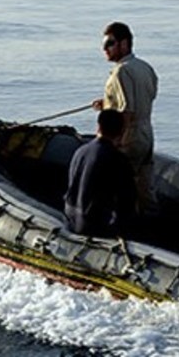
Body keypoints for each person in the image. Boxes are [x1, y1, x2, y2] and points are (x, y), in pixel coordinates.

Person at [92, 21, 158, 214]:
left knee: (118, 183)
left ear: (124, 43)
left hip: (130, 135)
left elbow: (126, 111)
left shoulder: (121, 72)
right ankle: (152, 223)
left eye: (109, 44)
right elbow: (144, 99)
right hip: (147, 133)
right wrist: (106, 103)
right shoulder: (145, 67)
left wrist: (116, 143)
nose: (105, 49)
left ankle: (123, 226)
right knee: (145, 186)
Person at [64, 109, 137, 236]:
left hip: (71, 220)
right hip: (94, 226)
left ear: (98, 126)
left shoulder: (80, 151)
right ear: (122, 131)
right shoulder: (118, 160)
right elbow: (127, 203)